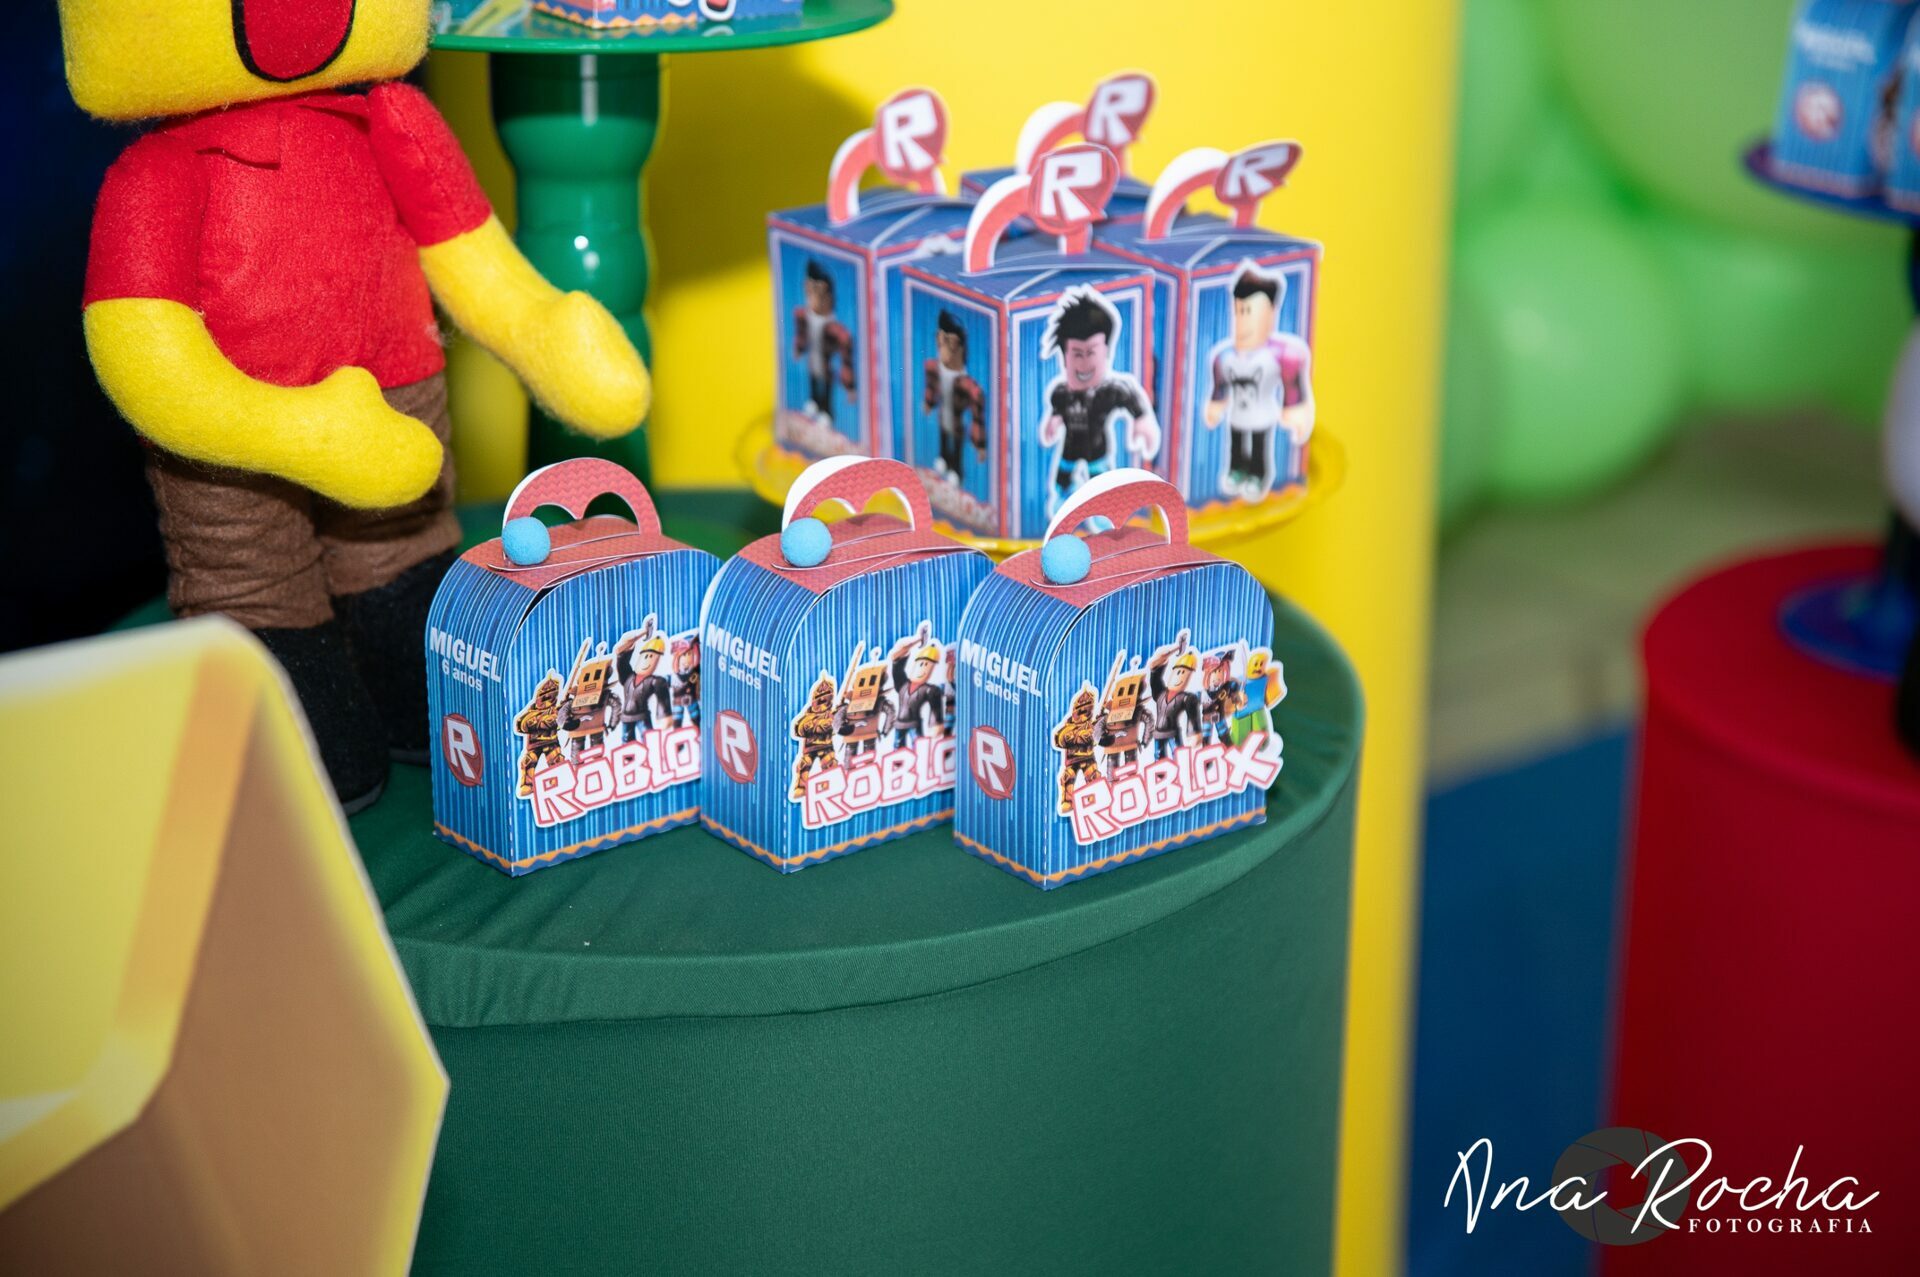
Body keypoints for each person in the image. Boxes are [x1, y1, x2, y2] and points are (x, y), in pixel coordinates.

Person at [1038, 286, 1159, 511]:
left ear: (1107, 353)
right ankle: (1064, 499)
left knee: (1101, 484)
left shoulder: (1108, 392)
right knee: (1062, 478)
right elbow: (1056, 409)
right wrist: (1053, 421)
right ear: (1064, 357)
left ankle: (1104, 508)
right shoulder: (1061, 393)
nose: (1084, 362)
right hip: (1068, 450)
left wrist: (1142, 420)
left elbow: (1129, 396)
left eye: (1091, 352)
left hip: (1098, 451)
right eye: (1077, 354)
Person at [1203, 266, 1314, 501]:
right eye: (1239, 311)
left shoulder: (1280, 355)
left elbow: (1292, 384)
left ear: (1271, 313)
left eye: (1249, 311)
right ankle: (1236, 469)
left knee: (1258, 447)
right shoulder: (1225, 356)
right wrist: (1215, 405)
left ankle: (1258, 474)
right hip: (1236, 415)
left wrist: (1294, 409)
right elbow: (1219, 386)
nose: (1243, 321)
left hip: (1262, 415)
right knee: (1236, 444)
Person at [924, 310, 986, 483]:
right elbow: (932, 388)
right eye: (940, 341)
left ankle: (956, 469)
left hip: (958, 424)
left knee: (956, 444)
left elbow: (977, 415)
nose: (941, 348)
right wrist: (929, 402)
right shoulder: (934, 369)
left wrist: (980, 444)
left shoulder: (967, 385)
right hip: (943, 417)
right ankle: (944, 458)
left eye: (947, 342)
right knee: (944, 436)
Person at [794, 259, 856, 426]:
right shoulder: (804, 316)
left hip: (827, 367)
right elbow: (802, 335)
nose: (811, 298)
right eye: (809, 291)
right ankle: (814, 402)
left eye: (817, 292)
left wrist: (849, 385)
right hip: (813, 361)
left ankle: (826, 410)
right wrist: (799, 348)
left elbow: (846, 357)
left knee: (826, 386)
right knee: (814, 379)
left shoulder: (835, 329)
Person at [1053, 689, 1103, 815]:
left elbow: (1095, 739)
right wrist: (1078, 735)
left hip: (1088, 757)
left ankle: (1093, 801)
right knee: (1067, 778)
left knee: (1094, 776)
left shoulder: (1092, 725)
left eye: (1087, 709)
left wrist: (1099, 728)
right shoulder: (1069, 726)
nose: (1084, 713)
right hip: (1073, 759)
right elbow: (1060, 740)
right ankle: (1067, 801)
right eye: (1081, 709)